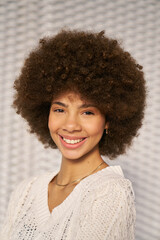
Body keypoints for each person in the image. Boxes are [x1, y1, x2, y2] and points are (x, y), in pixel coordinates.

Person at [0, 29, 146, 240]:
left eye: (87, 112)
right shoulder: (26, 192)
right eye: (60, 109)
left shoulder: (109, 192)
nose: (70, 125)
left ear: (109, 120)